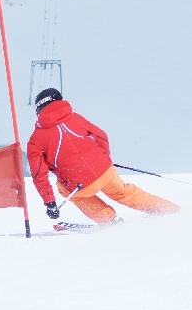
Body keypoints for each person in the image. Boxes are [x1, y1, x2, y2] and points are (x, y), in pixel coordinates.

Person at [27, 88, 179, 224]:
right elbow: (102, 136)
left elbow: (39, 174)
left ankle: (108, 220)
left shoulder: (35, 140)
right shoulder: (76, 118)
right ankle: (167, 209)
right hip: (106, 172)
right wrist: (104, 158)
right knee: (124, 192)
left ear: (38, 110)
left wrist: (50, 202)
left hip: (79, 185)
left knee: (64, 189)